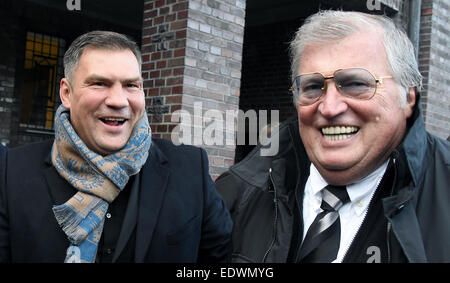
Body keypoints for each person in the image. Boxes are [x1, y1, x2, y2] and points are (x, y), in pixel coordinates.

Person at [216, 10, 450, 263]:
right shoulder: (234, 194)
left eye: (355, 84)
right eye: (313, 87)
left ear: (408, 97)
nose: (329, 108)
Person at [0, 31, 232, 263]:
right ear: (66, 93)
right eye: (100, 83)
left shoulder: (190, 170)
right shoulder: (12, 173)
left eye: (131, 85)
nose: (118, 100)